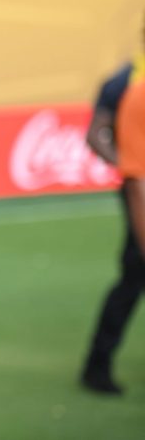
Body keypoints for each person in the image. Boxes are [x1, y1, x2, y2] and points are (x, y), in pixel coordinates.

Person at [81, 57, 145, 394]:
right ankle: (97, 365)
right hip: (140, 190)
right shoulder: (125, 82)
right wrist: (130, 167)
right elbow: (95, 135)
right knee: (134, 276)